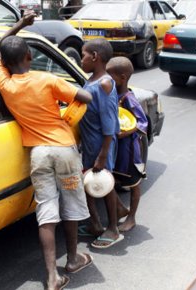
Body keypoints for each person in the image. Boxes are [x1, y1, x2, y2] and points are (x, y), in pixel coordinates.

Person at [0, 11, 94, 290]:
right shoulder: (47, 79)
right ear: (29, 57)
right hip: (63, 149)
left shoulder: (5, 83)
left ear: (6, 62)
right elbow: (85, 95)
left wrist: (19, 25)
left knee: (46, 213)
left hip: (38, 153)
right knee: (71, 205)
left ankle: (51, 276)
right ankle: (73, 260)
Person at [78, 38, 124, 249]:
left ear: (94, 56)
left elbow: (109, 122)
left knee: (105, 184)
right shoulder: (92, 80)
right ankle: (95, 224)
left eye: (83, 55)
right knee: (91, 182)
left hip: (101, 144)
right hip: (91, 143)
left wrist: (103, 155)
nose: (80, 60)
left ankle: (113, 229)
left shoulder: (104, 84)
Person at [106, 56, 149, 232]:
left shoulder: (129, 98)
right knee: (112, 180)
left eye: (111, 77)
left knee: (133, 183)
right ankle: (120, 209)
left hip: (130, 150)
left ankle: (131, 217)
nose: (107, 80)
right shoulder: (112, 95)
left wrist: (126, 132)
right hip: (116, 149)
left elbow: (142, 123)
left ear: (122, 78)